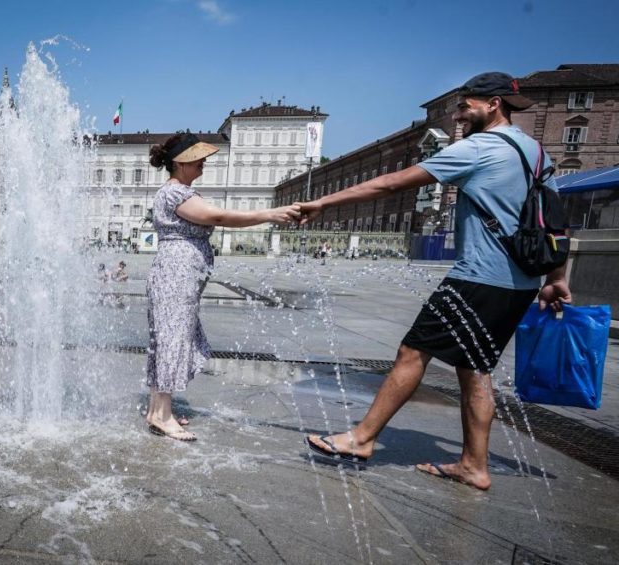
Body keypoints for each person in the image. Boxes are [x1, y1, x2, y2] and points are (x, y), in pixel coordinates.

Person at [300, 72, 572, 490]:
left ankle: (361, 438)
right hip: (520, 285)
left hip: (478, 279)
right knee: (475, 369)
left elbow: (392, 183)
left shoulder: (478, 149)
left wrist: (321, 201)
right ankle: (473, 465)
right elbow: (555, 218)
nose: (459, 114)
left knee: (413, 352)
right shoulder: (535, 153)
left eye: (466, 106)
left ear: (493, 104)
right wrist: (555, 277)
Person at [145, 132, 301, 441]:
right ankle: (162, 415)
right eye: (197, 158)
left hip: (179, 272)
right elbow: (216, 216)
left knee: (169, 337)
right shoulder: (175, 194)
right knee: (172, 338)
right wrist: (269, 214)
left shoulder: (183, 191)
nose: (203, 162)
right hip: (176, 272)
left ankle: (157, 410)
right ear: (180, 162)